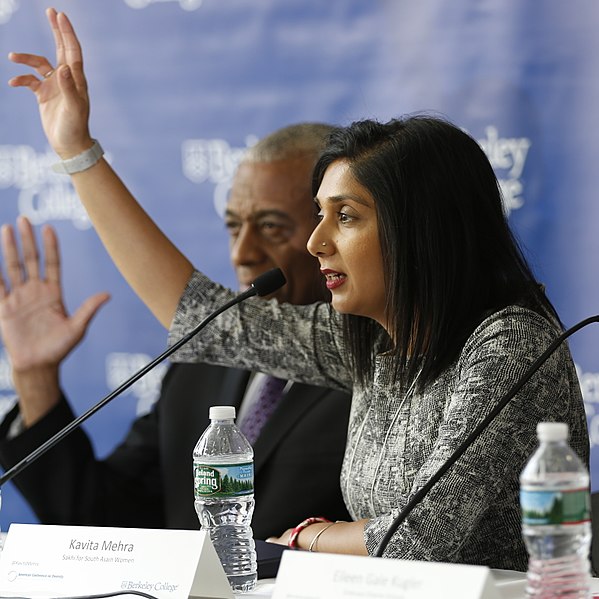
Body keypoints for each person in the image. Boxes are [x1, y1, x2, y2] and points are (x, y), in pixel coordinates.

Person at [6, 8, 588, 571]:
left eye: (347, 217)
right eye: (316, 215)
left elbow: (419, 536)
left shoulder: (509, 343)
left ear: (421, 230)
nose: (316, 242)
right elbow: (197, 312)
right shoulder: (369, 341)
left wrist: (314, 535)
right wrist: (78, 152)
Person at [0, 122, 352, 538]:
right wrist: (36, 379)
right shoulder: (201, 360)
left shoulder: (378, 361)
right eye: (234, 226)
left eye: (272, 226)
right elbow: (99, 515)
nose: (243, 253)